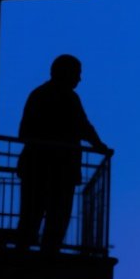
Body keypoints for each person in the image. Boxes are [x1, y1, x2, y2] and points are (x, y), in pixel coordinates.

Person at [17, 54, 108, 251]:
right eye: (77, 73)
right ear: (65, 73)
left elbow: (23, 132)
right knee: (55, 218)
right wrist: (99, 146)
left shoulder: (39, 94)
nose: (79, 79)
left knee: (32, 215)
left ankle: (27, 249)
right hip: (59, 170)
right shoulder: (68, 98)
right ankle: (46, 252)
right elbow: (84, 127)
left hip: (37, 167)